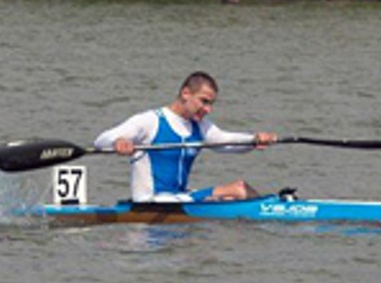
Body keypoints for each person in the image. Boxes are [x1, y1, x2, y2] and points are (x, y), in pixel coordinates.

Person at [94, 71, 277, 202]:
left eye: (211, 104)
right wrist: (118, 142)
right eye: (204, 101)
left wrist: (254, 140)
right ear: (185, 94)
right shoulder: (151, 121)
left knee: (232, 197)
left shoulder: (200, 127)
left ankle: (268, 211)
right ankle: (271, 214)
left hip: (179, 198)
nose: (208, 109)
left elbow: (226, 142)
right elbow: (101, 140)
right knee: (239, 189)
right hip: (150, 202)